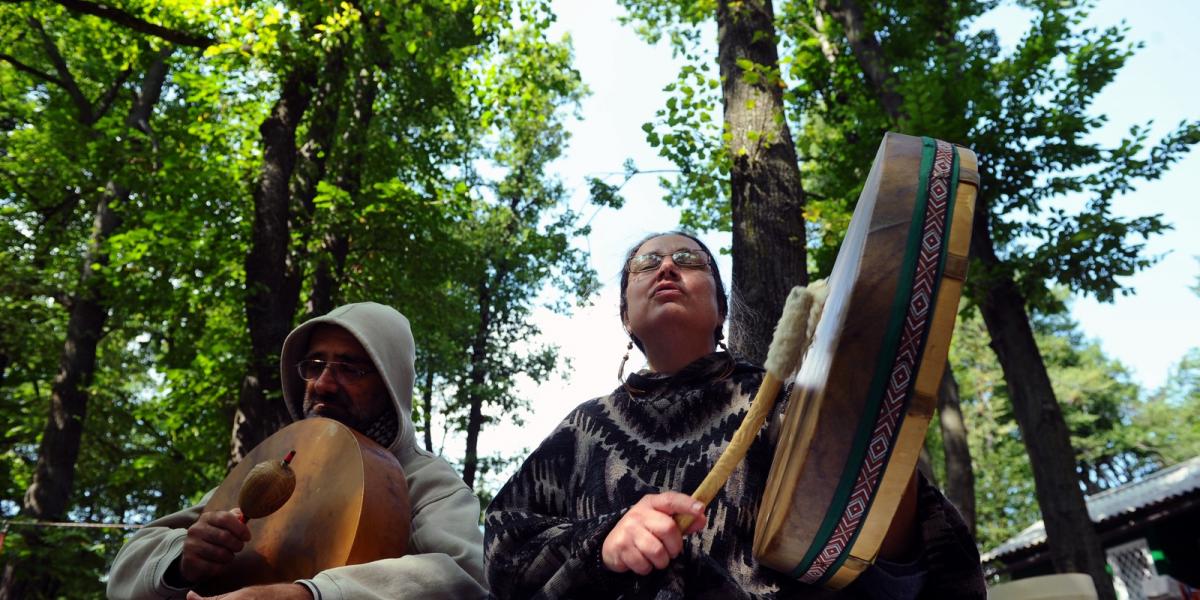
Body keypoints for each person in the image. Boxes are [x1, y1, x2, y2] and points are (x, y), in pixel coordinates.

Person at [483, 232, 986, 599]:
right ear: (624, 316)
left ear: (721, 310)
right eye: (646, 263)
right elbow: (502, 547)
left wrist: (874, 448)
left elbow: (909, 564)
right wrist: (601, 542)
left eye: (687, 259)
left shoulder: (791, 407)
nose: (666, 267)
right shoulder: (581, 430)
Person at [107, 302, 488, 600]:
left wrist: (310, 594)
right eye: (314, 364)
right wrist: (181, 559)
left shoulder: (424, 480)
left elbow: (467, 576)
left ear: (391, 385)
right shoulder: (273, 468)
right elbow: (126, 571)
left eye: (350, 369)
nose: (323, 384)